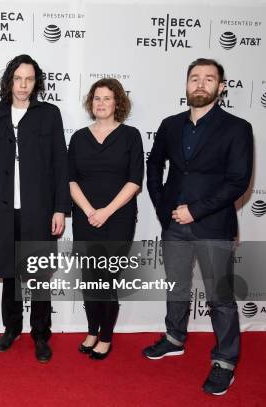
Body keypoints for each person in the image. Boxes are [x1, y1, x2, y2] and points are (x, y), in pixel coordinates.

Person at [143, 58, 253, 395]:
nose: (200, 84)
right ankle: (175, 337)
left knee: (220, 298)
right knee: (176, 286)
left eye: (209, 79)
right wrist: (164, 209)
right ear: (187, 84)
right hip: (174, 225)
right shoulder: (170, 124)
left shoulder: (237, 128)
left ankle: (224, 361)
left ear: (221, 87)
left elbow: (237, 182)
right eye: (194, 78)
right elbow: (154, 166)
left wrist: (196, 211)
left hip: (214, 226)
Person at [0, 54, 70, 363]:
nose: (23, 85)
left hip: (39, 210)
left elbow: (61, 163)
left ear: (36, 83)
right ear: (9, 81)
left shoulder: (49, 115)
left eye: (29, 79)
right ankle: (11, 328)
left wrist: (60, 209)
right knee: (9, 274)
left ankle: (41, 334)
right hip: (3, 211)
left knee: (39, 275)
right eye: (18, 79)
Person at [69, 78, 144, 360]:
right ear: (91, 103)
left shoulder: (131, 136)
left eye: (107, 98)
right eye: (97, 98)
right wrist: (90, 211)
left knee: (107, 280)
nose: (101, 103)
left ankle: (107, 336)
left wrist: (106, 211)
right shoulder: (78, 137)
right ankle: (91, 330)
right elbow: (70, 179)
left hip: (118, 218)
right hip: (85, 217)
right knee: (89, 280)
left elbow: (135, 181)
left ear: (118, 103)